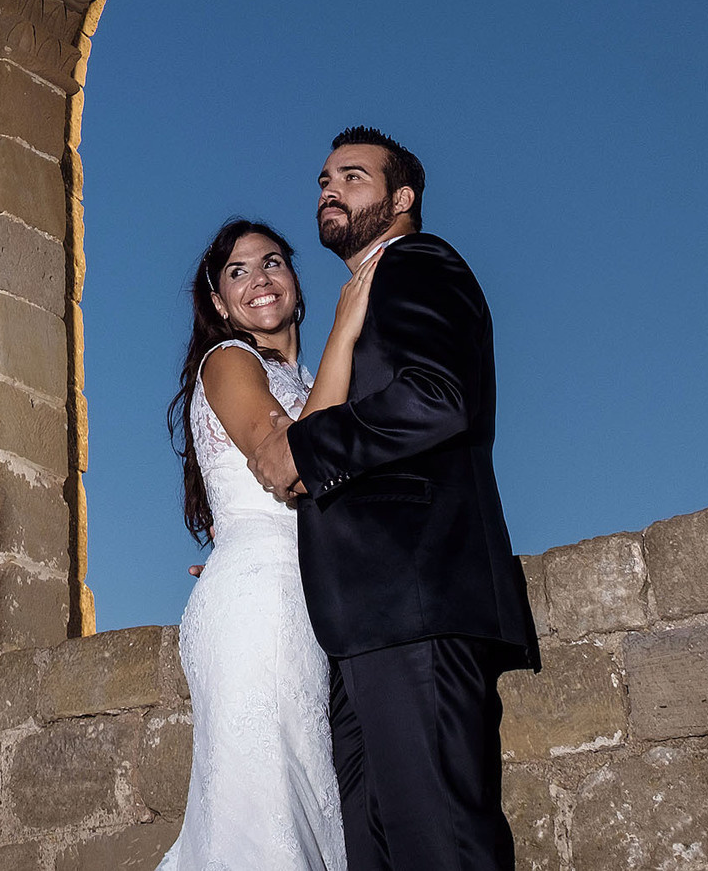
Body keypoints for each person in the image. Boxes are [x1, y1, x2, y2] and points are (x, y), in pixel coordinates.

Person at [245, 126, 540, 871]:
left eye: (352, 176)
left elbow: (438, 398)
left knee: (440, 844)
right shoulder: (361, 291)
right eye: (322, 180)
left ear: (402, 197)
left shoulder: (416, 261)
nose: (328, 190)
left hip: (416, 599)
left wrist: (308, 452)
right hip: (362, 620)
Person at [154, 218, 377, 870]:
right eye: (238, 270)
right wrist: (348, 324)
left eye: (273, 260)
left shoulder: (318, 383)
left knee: (312, 816)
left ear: (296, 282)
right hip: (265, 604)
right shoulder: (229, 360)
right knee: (269, 817)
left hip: (320, 601)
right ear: (221, 303)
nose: (260, 277)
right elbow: (289, 458)